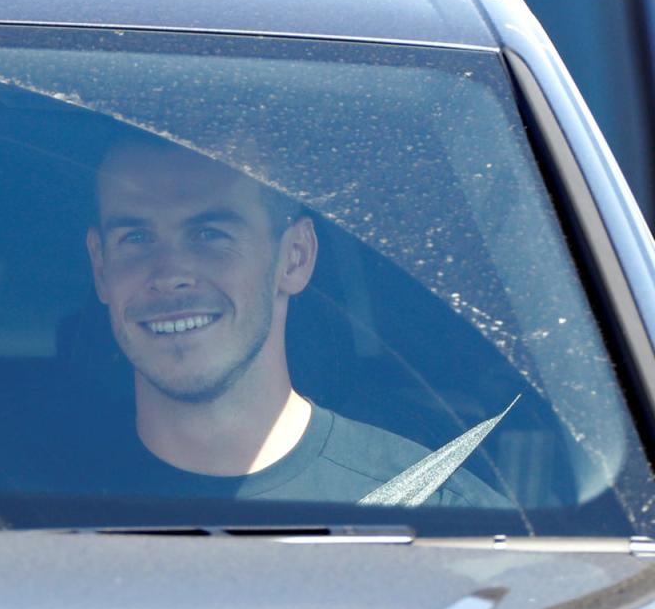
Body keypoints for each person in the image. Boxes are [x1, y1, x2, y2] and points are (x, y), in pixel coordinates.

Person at [82, 140, 505, 505]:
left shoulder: (439, 513)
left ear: (295, 257)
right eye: (135, 238)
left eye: (210, 234)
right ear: (100, 267)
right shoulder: (23, 509)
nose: (170, 274)